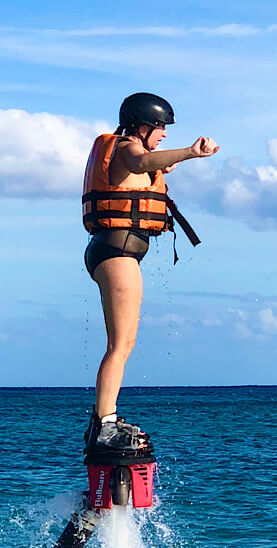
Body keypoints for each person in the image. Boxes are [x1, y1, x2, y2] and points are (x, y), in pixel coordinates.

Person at [82, 92, 219, 450]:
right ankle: (104, 424)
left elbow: (149, 166)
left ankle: (105, 418)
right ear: (140, 126)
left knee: (124, 343)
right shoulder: (128, 148)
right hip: (116, 251)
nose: (164, 134)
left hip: (116, 250)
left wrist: (170, 164)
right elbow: (141, 163)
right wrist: (191, 152)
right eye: (159, 127)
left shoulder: (133, 153)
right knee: (120, 344)